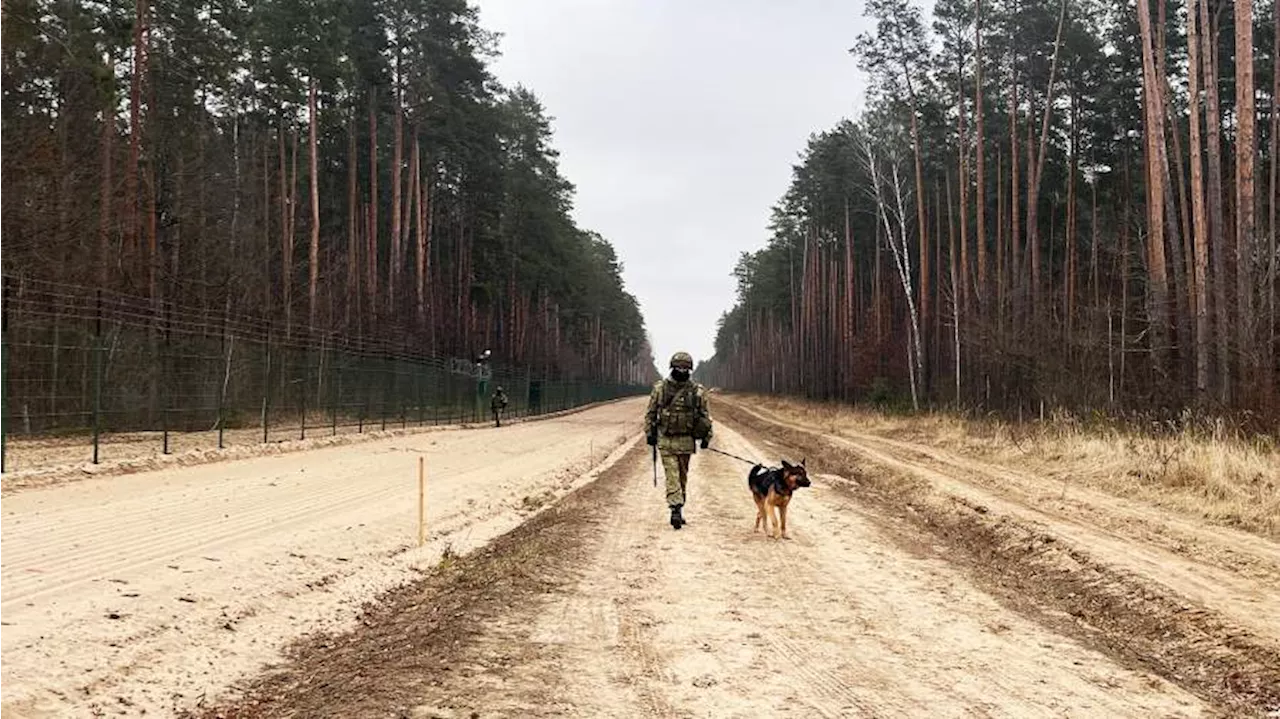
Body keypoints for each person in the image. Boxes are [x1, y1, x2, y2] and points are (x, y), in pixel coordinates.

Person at [644, 351, 713, 530]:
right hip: (666, 440)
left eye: (684, 368)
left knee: (682, 476)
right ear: (672, 367)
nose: (681, 370)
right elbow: (651, 413)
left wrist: (707, 437)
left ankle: (679, 505)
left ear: (689, 369)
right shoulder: (660, 388)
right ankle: (675, 508)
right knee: (672, 475)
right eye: (678, 367)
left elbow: (705, 416)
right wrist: (649, 433)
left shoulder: (697, 391)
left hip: (686, 441)